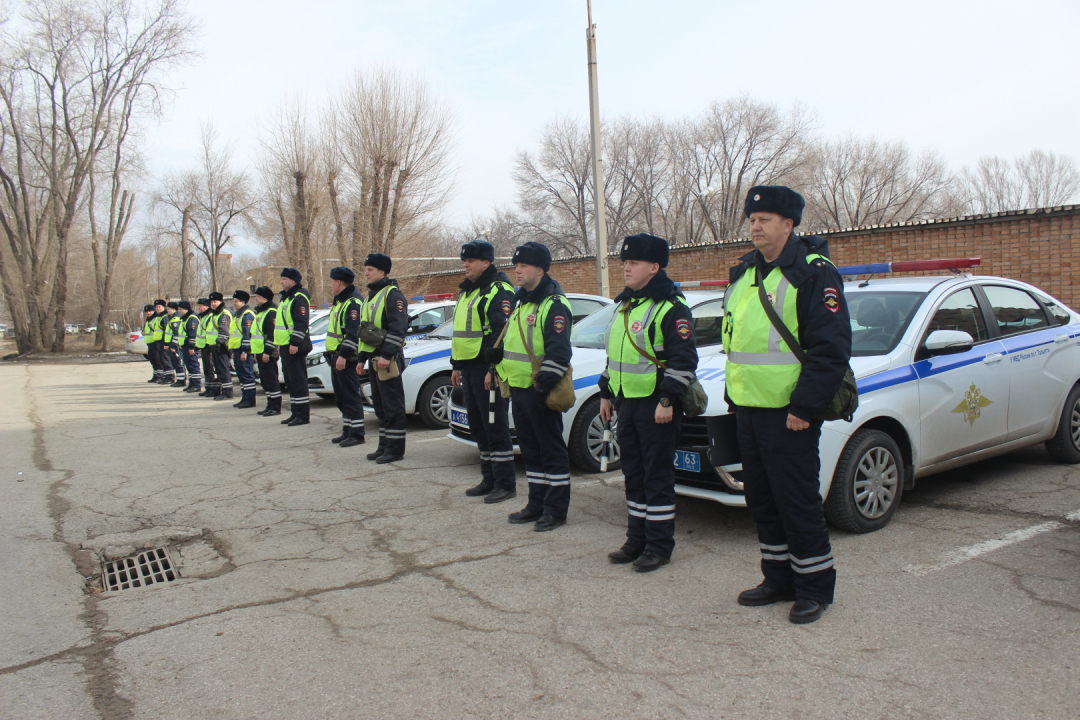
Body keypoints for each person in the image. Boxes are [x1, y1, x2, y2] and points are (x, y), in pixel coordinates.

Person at [723, 186, 851, 625]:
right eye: (752, 219)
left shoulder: (813, 272)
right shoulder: (744, 273)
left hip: (790, 413)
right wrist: (734, 399)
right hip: (749, 408)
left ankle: (814, 586)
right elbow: (736, 341)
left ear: (789, 225)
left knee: (796, 500)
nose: (755, 225)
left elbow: (830, 348)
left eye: (766, 219)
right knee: (762, 499)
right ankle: (777, 577)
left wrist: (805, 407)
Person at [599, 233, 699, 572]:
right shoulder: (625, 306)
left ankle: (659, 546)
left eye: (634, 263)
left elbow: (683, 359)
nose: (626, 269)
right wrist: (605, 393)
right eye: (624, 263)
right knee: (634, 473)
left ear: (654, 267)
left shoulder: (671, 307)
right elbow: (616, 357)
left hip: (657, 406)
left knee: (656, 476)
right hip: (627, 402)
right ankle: (636, 539)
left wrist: (668, 398)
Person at [489, 242, 574, 527]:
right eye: (516, 265)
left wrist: (542, 389)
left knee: (551, 451)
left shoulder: (554, 304)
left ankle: (555, 510)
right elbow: (515, 346)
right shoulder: (520, 301)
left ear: (539, 269)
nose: (517, 270)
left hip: (540, 391)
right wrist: (497, 362)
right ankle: (536, 503)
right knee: (530, 451)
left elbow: (558, 353)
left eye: (523, 265)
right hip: (519, 389)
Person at [450, 239, 515, 499]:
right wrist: (456, 366)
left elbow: (501, 334)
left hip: (488, 371)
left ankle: (505, 484)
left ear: (486, 262)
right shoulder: (469, 291)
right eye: (464, 260)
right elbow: (462, 333)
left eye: (471, 260)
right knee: (479, 427)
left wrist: (494, 369)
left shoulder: (497, 290)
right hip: (469, 369)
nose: (466, 264)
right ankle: (488, 479)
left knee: (495, 427)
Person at [357, 253, 408, 463]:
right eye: (366, 269)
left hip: (388, 360)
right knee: (380, 405)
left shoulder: (393, 295)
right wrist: (361, 359)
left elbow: (398, 328)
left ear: (382, 272)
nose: (366, 273)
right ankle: (384, 445)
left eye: (370, 269)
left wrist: (387, 355)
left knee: (392, 405)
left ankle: (395, 449)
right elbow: (365, 331)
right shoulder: (371, 296)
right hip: (375, 359)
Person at [326, 266, 366, 447]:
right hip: (337, 357)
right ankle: (348, 429)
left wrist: (343, 355)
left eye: (332, 282)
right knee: (341, 397)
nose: (331, 285)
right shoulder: (340, 302)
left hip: (347, 358)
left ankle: (357, 433)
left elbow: (353, 333)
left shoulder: (352, 304)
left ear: (339, 282)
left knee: (350, 396)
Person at [276, 267, 312, 426]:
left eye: (284, 279)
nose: (281, 281)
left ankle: (303, 415)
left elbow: (301, 322)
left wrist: (294, 342)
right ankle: (295, 411)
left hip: (294, 345)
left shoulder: (299, 297)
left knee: (298, 380)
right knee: (290, 381)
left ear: (293, 281)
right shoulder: (286, 298)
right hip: (285, 345)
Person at [251, 287, 282, 415]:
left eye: (257, 296)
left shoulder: (271, 312)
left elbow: (272, 334)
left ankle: (275, 407)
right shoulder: (260, 313)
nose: (255, 298)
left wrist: (268, 351)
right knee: (264, 380)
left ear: (265, 298)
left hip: (267, 352)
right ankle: (270, 404)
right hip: (259, 351)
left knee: (271, 379)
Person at [229, 290, 257, 409]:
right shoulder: (238, 314)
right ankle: (245, 397)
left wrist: (246, 351)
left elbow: (247, 334)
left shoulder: (247, 314)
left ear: (243, 302)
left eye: (236, 301)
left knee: (246, 374)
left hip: (243, 350)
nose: (233, 303)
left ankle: (250, 399)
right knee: (241, 374)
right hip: (237, 348)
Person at [209, 292, 234, 401]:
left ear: (220, 301)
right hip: (215, 345)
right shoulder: (215, 313)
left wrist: (219, 342)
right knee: (219, 370)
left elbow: (224, 331)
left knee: (224, 370)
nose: (213, 304)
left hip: (222, 345)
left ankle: (227, 392)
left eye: (215, 301)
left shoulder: (223, 313)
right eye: (211, 302)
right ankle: (223, 390)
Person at [177, 301, 202, 393]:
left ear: (186, 309)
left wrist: (192, 347)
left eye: (181, 309)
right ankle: (192, 383)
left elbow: (192, 334)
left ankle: (196, 384)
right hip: (185, 345)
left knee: (193, 365)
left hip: (189, 346)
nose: (179, 311)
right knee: (189, 366)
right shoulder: (184, 318)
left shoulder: (192, 318)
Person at [196, 298, 219, 397]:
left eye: (200, 305)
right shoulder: (203, 317)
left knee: (211, 368)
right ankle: (208, 388)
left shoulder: (210, 316)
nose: (198, 307)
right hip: (204, 346)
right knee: (206, 369)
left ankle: (214, 389)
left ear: (206, 306)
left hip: (209, 346)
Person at [163, 301, 184, 386]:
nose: (167, 310)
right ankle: (179, 379)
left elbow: (176, 334)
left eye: (168, 309)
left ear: (173, 309)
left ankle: (181, 380)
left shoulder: (176, 319)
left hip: (176, 345)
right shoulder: (171, 318)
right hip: (171, 344)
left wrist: (173, 345)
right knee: (175, 362)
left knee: (178, 363)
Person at [147, 299, 168, 384]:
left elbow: (166, 330)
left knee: (161, 361)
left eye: (159, 307)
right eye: (156, 307)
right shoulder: (156, 318)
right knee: (154, 360)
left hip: (159, 342)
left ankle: (162, 376)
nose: (158, 308)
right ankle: (157, 375)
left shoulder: (162, 317)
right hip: (153, 342)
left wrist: (166, 342)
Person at [141, 305, 157, 383]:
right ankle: (156, 375)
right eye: (147, 311)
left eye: (150, 311)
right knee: (153, 360)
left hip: (155, 342)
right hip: (149, 342)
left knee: (158, 360)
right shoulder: (148, 319)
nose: (148, 313)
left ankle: (159, 375)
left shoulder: (155, 319)